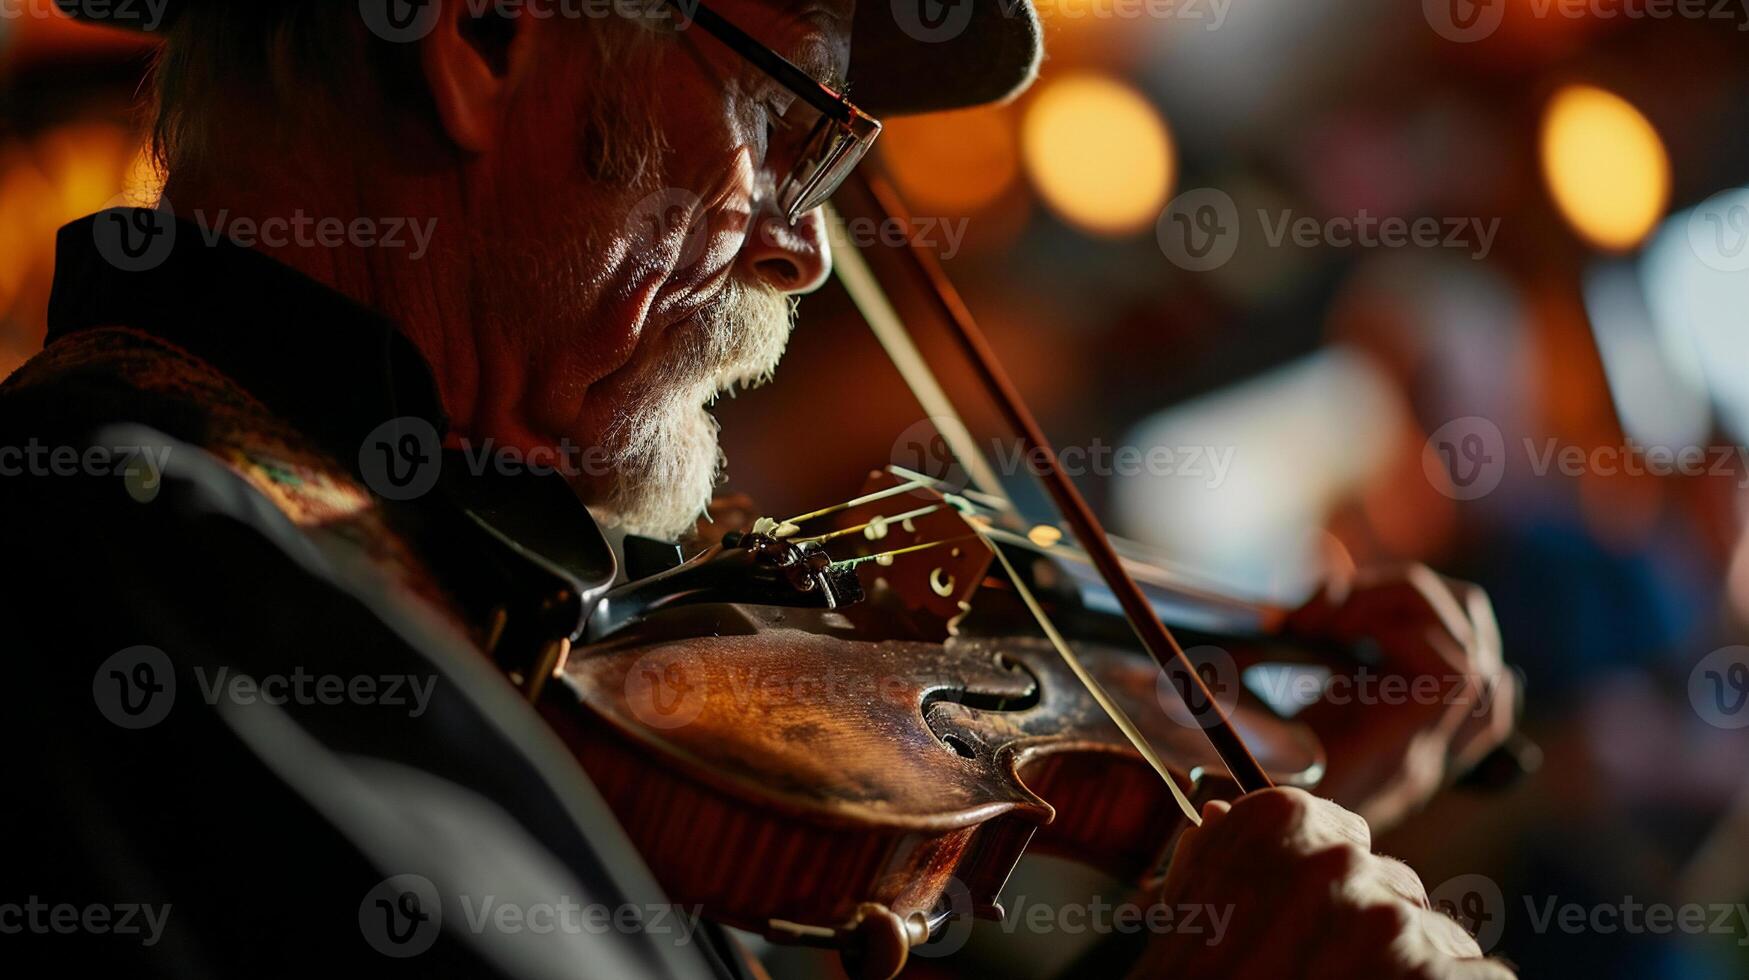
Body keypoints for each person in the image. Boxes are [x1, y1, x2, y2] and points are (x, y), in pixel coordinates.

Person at [1, 1, 1515, 976]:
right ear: (485, 36)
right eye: (788, 120)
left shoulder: (427, 563)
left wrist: (1228, 881)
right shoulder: (126, 560)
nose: (802, 244)